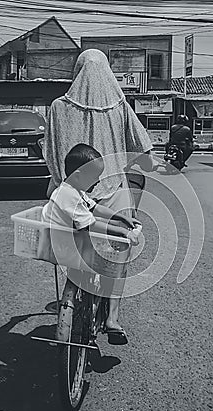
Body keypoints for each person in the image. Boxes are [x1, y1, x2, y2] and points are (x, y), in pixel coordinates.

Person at [43, 48, 154, 344]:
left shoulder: (56, 106)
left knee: (74, 242)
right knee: (120, 251)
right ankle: (113, 317)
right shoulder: (120, 107)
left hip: (70, 190)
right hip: (112, 191)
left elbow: (50, 153)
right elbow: (144, 154)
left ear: (77, 72)